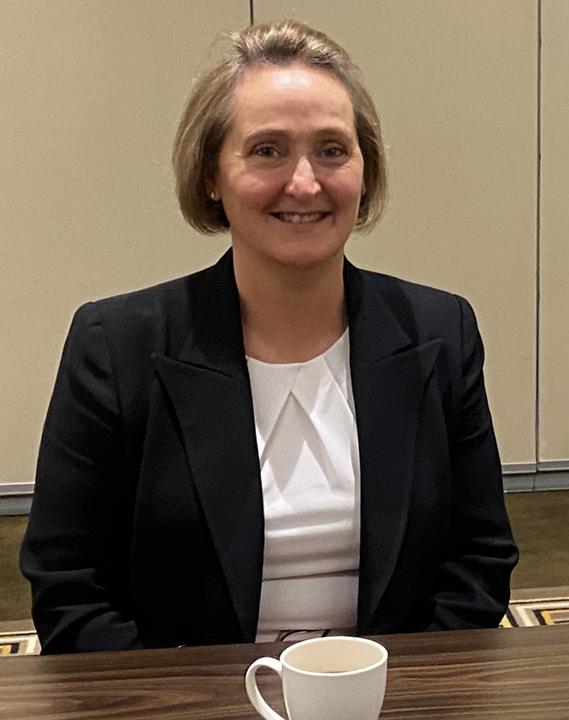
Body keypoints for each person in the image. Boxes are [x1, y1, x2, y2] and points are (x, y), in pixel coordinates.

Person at [20, 19, 518, 653]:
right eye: (267, 150)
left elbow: (479, 561)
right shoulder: (114, 346)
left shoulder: (440, 331)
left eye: (332, 150)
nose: (305, 183)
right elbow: (69, 587)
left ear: (365, 172)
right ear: (210, 174)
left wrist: (389, 694)